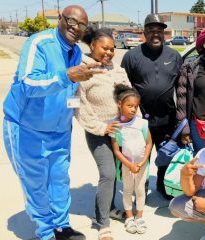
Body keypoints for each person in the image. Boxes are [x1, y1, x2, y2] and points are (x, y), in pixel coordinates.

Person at [2, 5, 101, 240]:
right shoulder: (39, 43)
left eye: (82, 25)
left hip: (58, 131)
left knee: (59, 181)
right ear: (60, 19)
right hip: (26, 128)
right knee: (36, 183)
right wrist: (66, 75)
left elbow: (70, 94)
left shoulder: (76, 53)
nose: (75, 28)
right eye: (71, 21)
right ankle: (46, 232)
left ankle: (62, 227)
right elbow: (27, 84)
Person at [74, 26, 131, 240]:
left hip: (121, 130)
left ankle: (110, 208)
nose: (109, 52)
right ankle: (103, 222)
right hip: (98, 132)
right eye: (104, 48)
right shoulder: (82, 69)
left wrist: (136, 122)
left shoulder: (116, 69)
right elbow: (80, 107)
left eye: (112, 48)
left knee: (115, 174)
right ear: (92, 46)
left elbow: (129, 95)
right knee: (107, 174)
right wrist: (102, 128)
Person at [121, 14, 182, 200]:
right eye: (151, 30)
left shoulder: (174, 56)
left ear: (164, 33)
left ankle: (163, 186)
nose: (155, 34)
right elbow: (123, 87)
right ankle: (141, 188)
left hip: (167, 118)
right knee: (140, 157)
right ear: (144, 32)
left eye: (159, 31)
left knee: (166, 156)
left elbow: (183, 87)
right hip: (139, 120)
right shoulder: (131, 56)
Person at [110, 84, 153, 235]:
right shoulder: (115, 126)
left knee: (140, 191)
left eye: (135, 106)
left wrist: (142, 162)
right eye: (129, 106)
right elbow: (116, 150)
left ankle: (139, 217)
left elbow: (149, 143)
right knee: (127, 190)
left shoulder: (142, 123)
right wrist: (128, 164)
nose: (133, 109)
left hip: (142, 165)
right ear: (119, 104)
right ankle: (129, 217)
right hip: (126, 165)